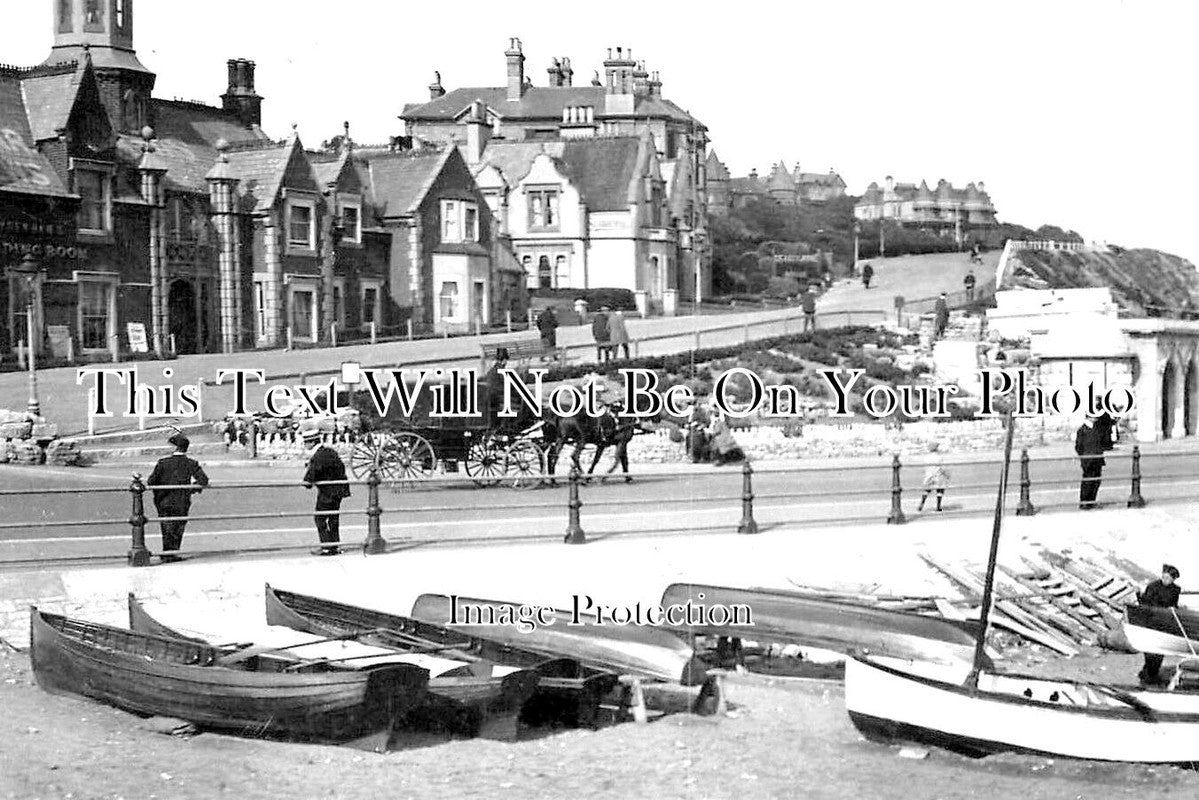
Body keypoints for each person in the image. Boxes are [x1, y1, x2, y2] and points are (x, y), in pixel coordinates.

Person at [146, 433, 209, 562]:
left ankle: (167, 552)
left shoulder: (163, 463)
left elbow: (151, 481)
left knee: (166, 525)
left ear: (175, 448)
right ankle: (172, 552)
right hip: (182, 499)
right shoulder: (191, 463)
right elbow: (203, 480)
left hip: (164, 499)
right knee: (178, 526)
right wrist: (191, 489)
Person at [302, 428, 351, 555]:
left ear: (312, 442)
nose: (305, 445)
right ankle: (335, 545)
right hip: (339, 490)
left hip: (327, 492)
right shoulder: (330, 452)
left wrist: (307, 481)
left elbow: (310, 478)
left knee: (320, 519)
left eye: (306, 442)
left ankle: (326, 547)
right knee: (333, 518)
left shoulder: (317, 456)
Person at [1137, 565, 1182, 685]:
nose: (1165, 580)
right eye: (1164, 577)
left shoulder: (1175, 590)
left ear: (1173, 579)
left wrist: (1173, 609)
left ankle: (1152, 673)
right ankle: (1148, 674)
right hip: (1151, 622)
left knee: (1160, 650)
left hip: (1164, 623)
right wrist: (1139, 596)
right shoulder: (1153, 586)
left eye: (1168, 578)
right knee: (1150, 649)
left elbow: (1174, 604)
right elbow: (1144, 602)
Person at [1075, 415, 1107, 509]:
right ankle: (1084, 502)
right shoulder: (1082, 430)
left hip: (1097, 458)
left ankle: (1091, 501)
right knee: (1088, 480)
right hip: (1088, 459)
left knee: (1096, 481)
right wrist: (1084, 457)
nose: (1095, 418)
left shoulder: (1097, 428)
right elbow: (1079, 446)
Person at [917, 442, 950, 512]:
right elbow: (942, 467)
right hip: (937, 475)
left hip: (929, 475)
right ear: (936, 449)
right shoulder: (939, 457)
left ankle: (922, 504)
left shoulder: (926, 457)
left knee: (926, 490)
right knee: (940, 490)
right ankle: (938, 506)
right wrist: (947, 475)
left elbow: (925, 467)